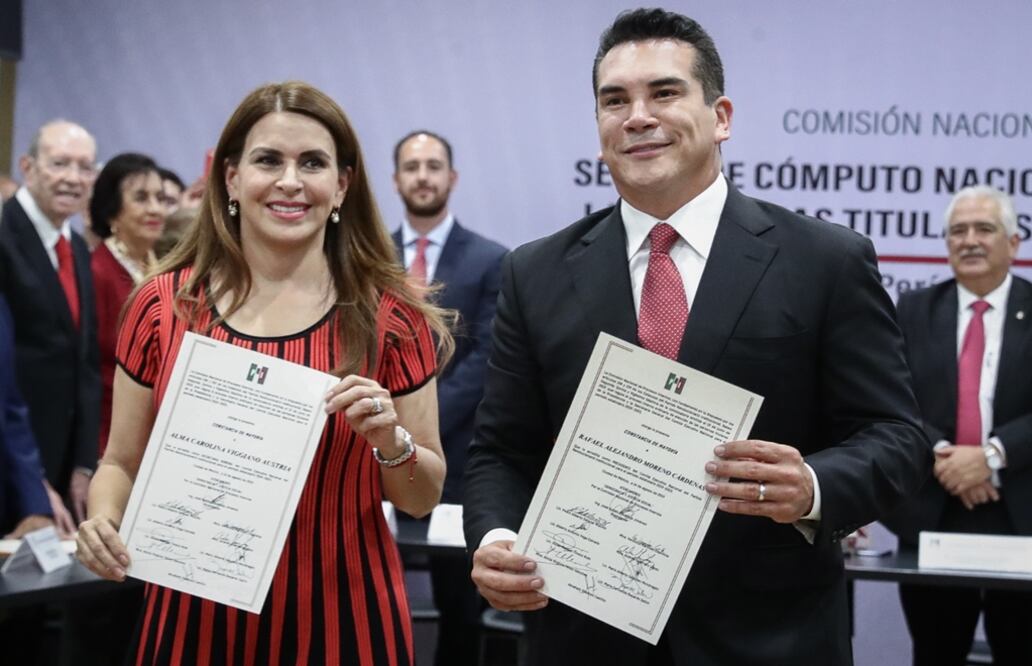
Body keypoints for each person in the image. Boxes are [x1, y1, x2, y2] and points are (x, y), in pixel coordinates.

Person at [462, 8, 930, 665]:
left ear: (722, 116)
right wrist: (495, 541)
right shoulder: (533, 272)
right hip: (584, 638)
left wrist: (812, 486)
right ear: (598, 129)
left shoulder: (824, 260)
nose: (638, 116)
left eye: (665, 92)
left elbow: (898, 438)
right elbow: (501, 451)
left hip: (770, 636)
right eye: (614, 100)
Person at [76, 81, 453, 665]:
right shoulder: (163, 307)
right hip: (190, 624)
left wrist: (389, 441)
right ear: (231, 178)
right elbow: (120, 463)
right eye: (268, 160)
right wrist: (103, 520)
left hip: (344, 624)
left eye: (313, 163)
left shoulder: (392, 317)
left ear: (342, 185)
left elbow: (421, 498)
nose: (289, 182)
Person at [883, 186, 1032, 666]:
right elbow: (890, 398)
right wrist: (947, 456)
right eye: (958, 231)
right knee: (935, 653)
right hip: (935, 509)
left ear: (1013, 243)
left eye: (984, 229)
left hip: (1022, 513)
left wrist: (990, 457)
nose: (970, 240)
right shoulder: (912, 310)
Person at [391, 130, 506, 666]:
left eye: (433, 166)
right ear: (395, 180)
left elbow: (486, 359)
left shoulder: (490, 260)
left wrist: (413, 416)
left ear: (451, 178)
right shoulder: (365, 259)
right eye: (411, 166)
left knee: (459, 607)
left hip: (457, 460)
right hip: (366, 456)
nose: (422, 176)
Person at [0, 119, 100, 523]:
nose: (73, 179)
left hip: (61, 464)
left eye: (85, 167)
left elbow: (85, 361)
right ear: (28, 166)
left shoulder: (74, 245)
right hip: (13, 467)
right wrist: (32, 481)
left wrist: (83, 463)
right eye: (60, 164)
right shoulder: (3, 236)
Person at [90, 153, 166, 457]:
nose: (155, 209)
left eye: (160, 198)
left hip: (151, 434)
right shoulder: (97, 271)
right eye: (141, 198)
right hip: (106, 438)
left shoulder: (159, 269)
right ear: (112, 211)